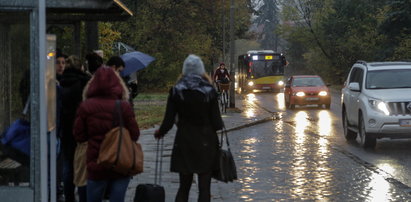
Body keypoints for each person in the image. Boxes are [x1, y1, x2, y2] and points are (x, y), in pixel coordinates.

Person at [154, 54, 224, 202]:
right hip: (206, 142)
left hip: (184, 141)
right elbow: (217, 123)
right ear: (201, 71)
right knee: (205, 188)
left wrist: (160, 132)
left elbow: (168, 120)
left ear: (184, 70)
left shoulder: (176, 91)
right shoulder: (209, 91)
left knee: (183, 187)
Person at [73, 67, 140, 202]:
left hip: (96, 161)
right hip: (120, 161)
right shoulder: (124, 107)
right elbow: (135, 134)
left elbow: (79, 135)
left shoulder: (86, 107)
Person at [59, 55, 91, 202]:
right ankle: (83, 195)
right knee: (82, 165)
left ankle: (69, 196)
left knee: (68, 164)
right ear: (80, 67)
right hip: (81, 129)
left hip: (65, 128)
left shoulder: (61, 82)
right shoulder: (84, 82)